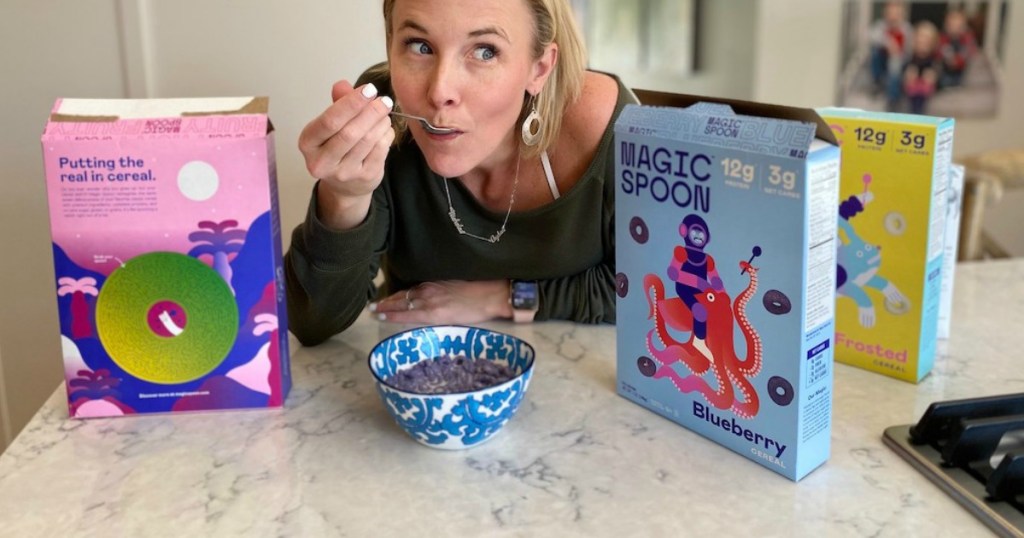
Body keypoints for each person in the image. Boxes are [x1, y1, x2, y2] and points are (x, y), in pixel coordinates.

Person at [285, 0, 636, 346]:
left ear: (539, 67)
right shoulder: (384, 109)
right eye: (419, 46)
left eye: (484, 51)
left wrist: (501, 298)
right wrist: (345, 197)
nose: (440, 92)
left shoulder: (610, 130)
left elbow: (659, 295)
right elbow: (314, 322)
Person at [868, 1, 914, 111]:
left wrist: (897, 55)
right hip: (882, 61)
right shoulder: (880, 26)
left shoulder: (907, 29)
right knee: (875, 51)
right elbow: (872, 36)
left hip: (900, 62)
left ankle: (893, 100)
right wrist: (889, 43)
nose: (893, 17)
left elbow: (909, 51)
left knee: (895, 66)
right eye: (890, 13)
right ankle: (877, 82)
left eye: (896, 13)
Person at [902, 21, 941, 115]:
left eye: (926, 39)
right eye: (920, 37)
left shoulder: (935, 59)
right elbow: (905, 70)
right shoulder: (910, 58)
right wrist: (908, 75)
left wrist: (933, 77)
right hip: (912, 87)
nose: (922, 41)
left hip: (925, 88)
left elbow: (938, 75)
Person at [937, 8, 977, 89]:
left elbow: (970, 52)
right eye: (951, 25)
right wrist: (949, 59)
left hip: (962, 70)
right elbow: (939, 52)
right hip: (946, 69)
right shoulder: (942, 38)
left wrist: (958, 61)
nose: (955, 28)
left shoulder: (967, 39)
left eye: (958, 26)